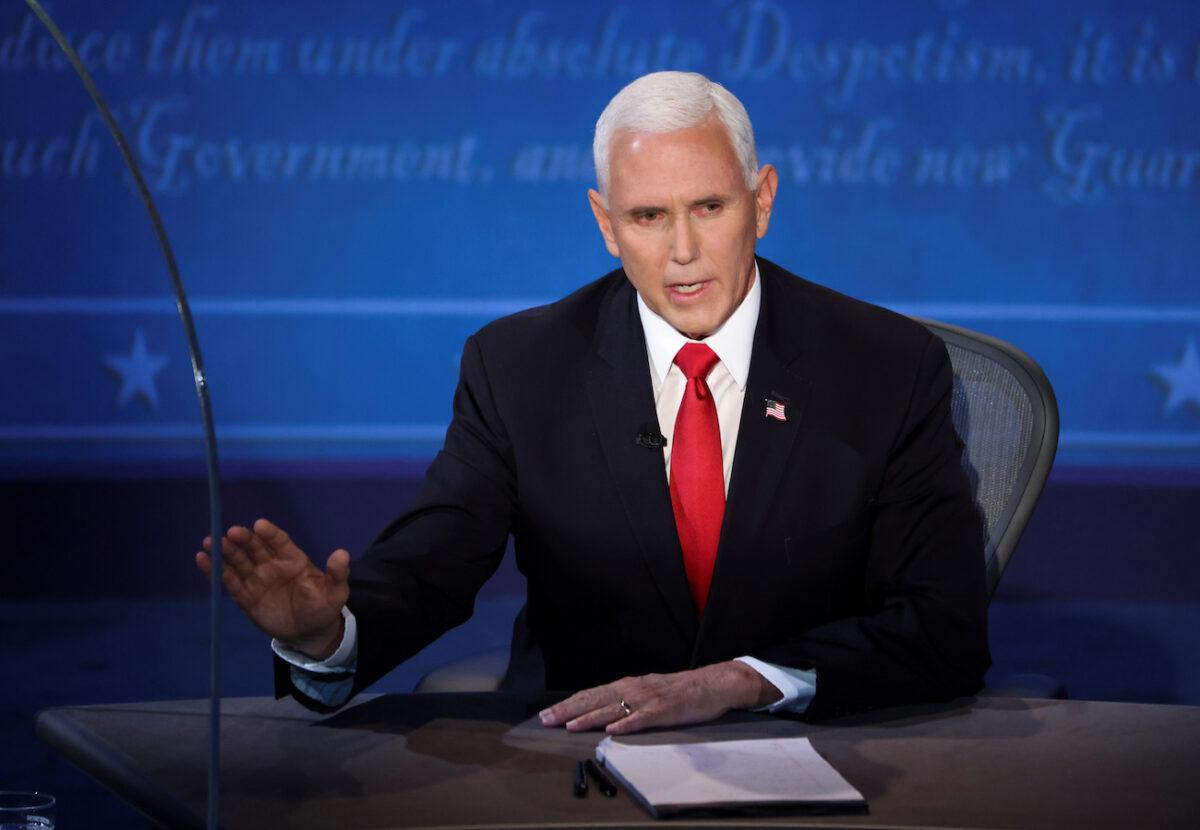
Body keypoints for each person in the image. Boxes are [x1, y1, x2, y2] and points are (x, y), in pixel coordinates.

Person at [197, 71, 990, 731]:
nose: (682, 252)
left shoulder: (886, 366)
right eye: (648, 216)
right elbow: (430, 569)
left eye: (709, 208)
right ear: (606, 225)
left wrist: (746, 680)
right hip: (579, 757)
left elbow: (943, 627)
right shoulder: (520, 367)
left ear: (763, 201)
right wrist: (327, 635)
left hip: (815, 747)